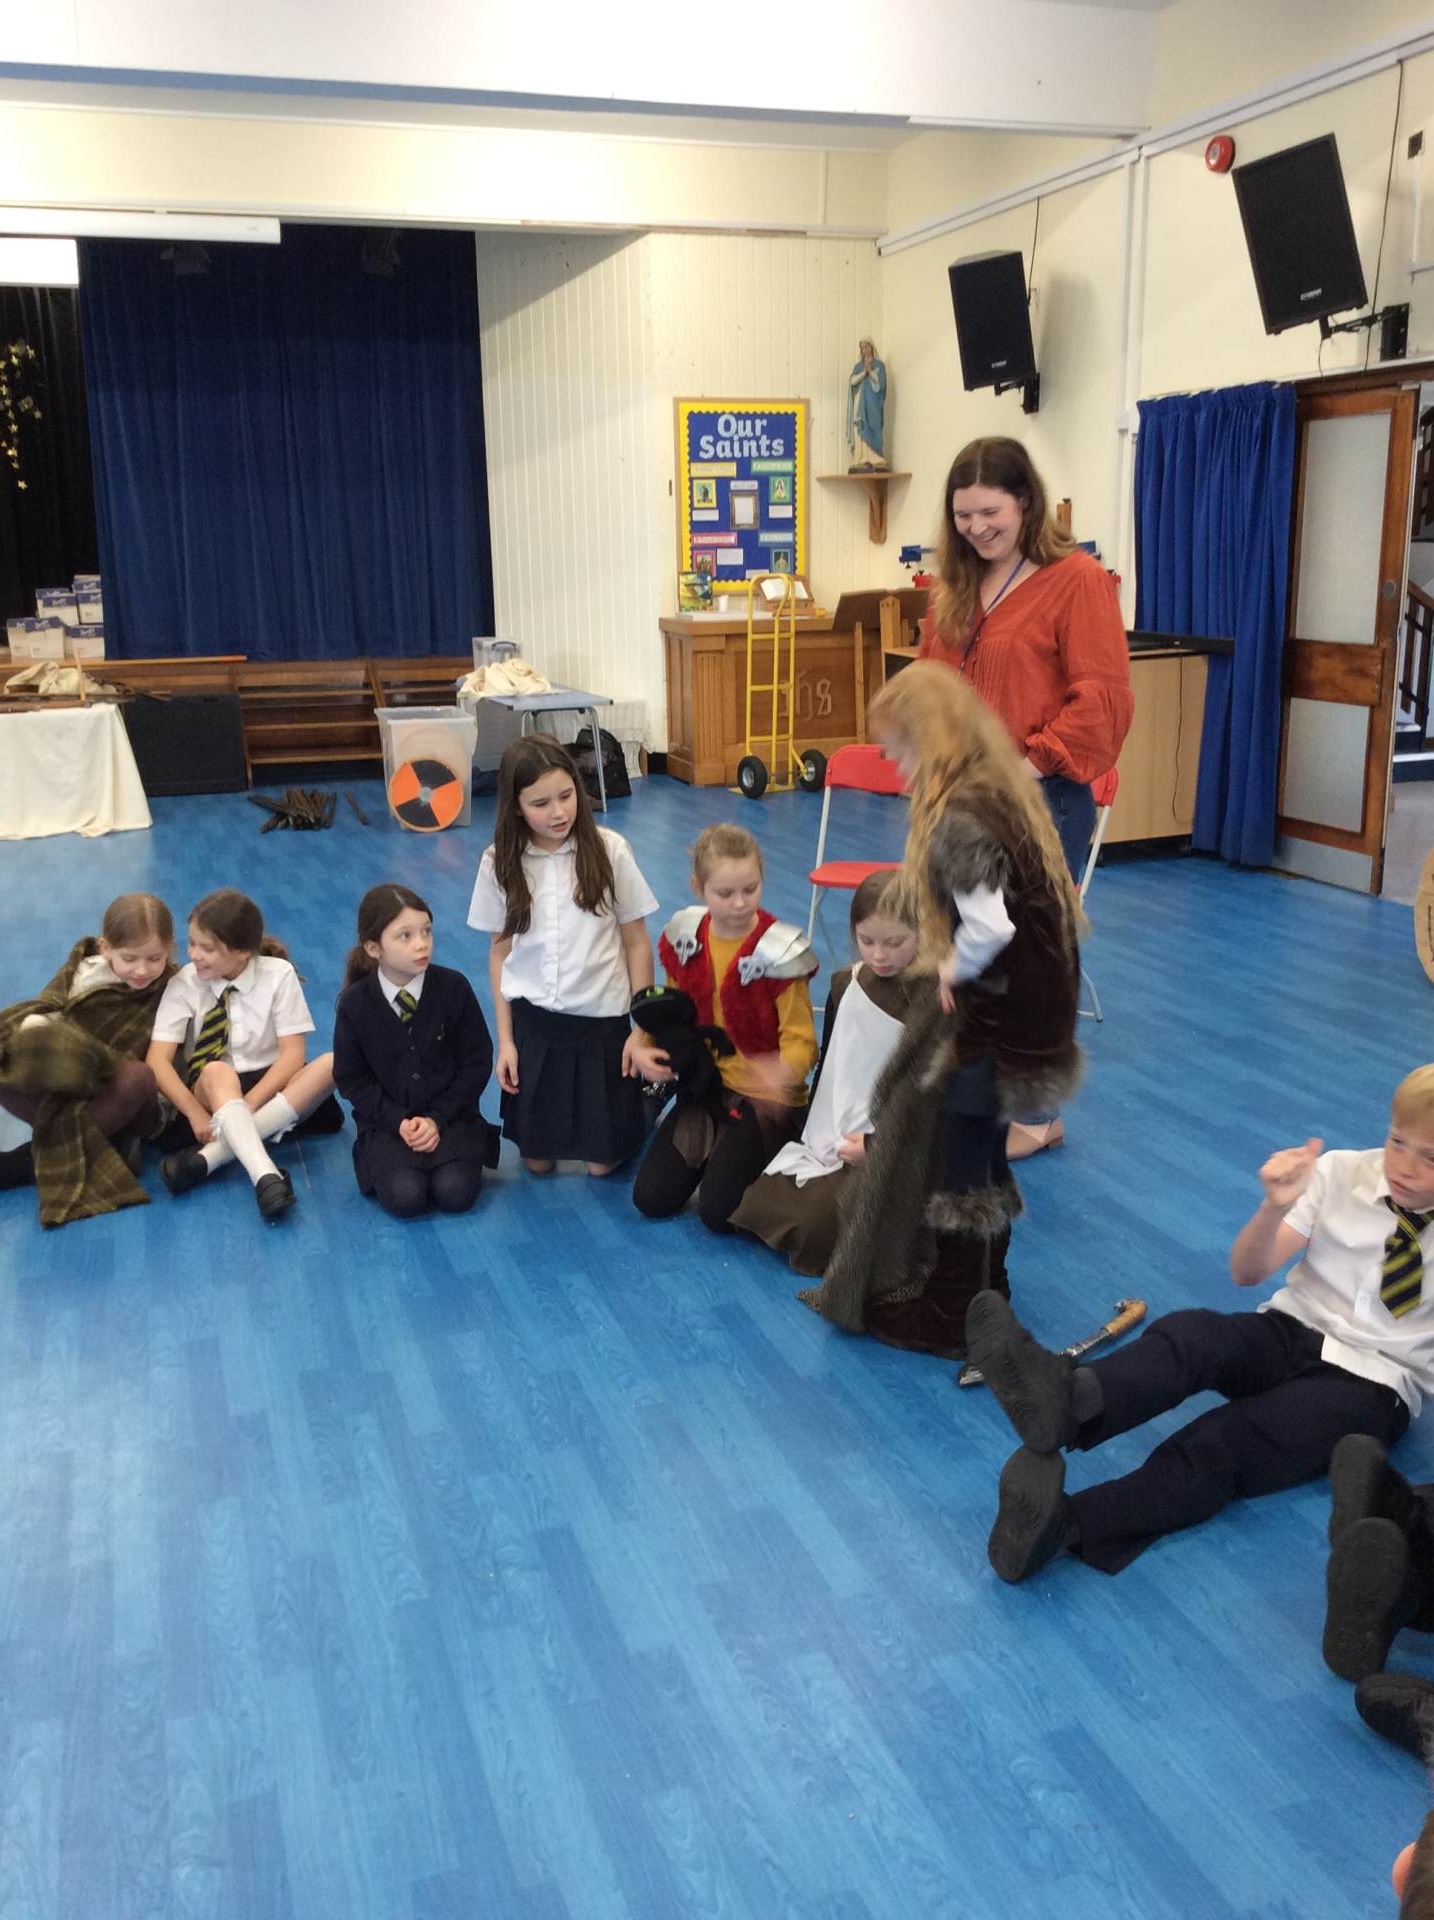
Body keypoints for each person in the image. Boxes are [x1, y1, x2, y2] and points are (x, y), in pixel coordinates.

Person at [966, 1066, 1434, 1585]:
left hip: (1373, 1384)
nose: (1405, 1166)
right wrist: (1272, 1209)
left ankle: (1067, 1526)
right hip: (1290, 1330)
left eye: (1430, 1157)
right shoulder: (1342, 1172)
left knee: (1227, 1442)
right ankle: (1066, 1404)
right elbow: (1247, 1272)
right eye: (1397, 1141)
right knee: (1193, 1336)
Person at [799, 663, 1082, 1357]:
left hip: (1000, 1014)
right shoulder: (998, 789)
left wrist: (954, 965)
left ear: (929, 739)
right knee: (981, 1151)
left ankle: (954, 1313)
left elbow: (991, 926)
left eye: (898, 750)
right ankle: (991, 1290)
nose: (894, 764)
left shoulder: (960, 815)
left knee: (965, 1159)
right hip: (1035, 1007)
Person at [917, 436, 1132, 1159]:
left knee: (1032, 954)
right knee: (969, 940)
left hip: (1041, 799)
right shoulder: (954, 587)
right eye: (964, 515)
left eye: (991, 512)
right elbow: (931, 684)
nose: (978, 528)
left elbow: (1101, 698)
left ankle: (1038, 1114)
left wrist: (1028, 761)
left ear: (1026, 504)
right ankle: (978, 1093)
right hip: (961, 798)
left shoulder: (1077, 581)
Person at [467, 733, 656, 1176]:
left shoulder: (610, 850)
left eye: (566, 796)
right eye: (540, 803)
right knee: (536, 1163)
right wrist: (506, 1041)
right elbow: (499, 954)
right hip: (537, 1025)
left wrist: (642, 1030)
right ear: (516, 807)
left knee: (600, 1167)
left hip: (601, 1023)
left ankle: (647, 1100)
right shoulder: (499, 861)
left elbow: (637, 943)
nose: (558, 812)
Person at [731, 871, 930, 1274]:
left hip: (895, 1144)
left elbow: (930, 1103)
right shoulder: (845, 984)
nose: (879, 955)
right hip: (835, 1135)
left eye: (894, 943)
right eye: (867, 941)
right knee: (757, 1201)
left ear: (920, 933)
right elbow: (831, 1068)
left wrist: (876, 1144)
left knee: (817, 1227)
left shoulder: (932, 1000)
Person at [629, 822, 819, 1232]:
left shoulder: (778, 953)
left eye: (751, 889)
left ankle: (770, 1149)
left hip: (762, 1100)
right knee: (651, 1198)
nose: (740, 903)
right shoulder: (686, 938)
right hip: (705, 1086)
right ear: (698, 887)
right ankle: (723, 1152)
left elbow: (803, 1042)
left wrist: (780, 1073)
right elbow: (669, 1011)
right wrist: (643, 1043)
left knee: (718, 1213)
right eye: (725, 893)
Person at [147, 889, 343, 1221]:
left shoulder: (278, 974)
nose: (194, 954)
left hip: (271, 1083)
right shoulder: (184, 983)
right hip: (211, 1089)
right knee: (217, 1071)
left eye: (207, 948)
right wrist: (194, 1112)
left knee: (332, 1064)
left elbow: (292, 1056)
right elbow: (157, 1060)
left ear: (241, 952)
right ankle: (265, 1175)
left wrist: (248, 1106)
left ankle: (209, 1158)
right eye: (192, 943)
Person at [0, 891, 175, 1226]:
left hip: (127, 1101)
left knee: (140, 1077)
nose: (142, 970)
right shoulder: (82, 971)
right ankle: (108, 1145)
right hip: (67, 1085)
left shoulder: (175, 986)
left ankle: (20, 1165)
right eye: (129, 959)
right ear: (105, 948)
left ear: (169, 949)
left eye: (155, 958)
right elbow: (46, 1009)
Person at [333, 883, 497, 1219]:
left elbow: (476, 1062)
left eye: (426, 931)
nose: (421, 944)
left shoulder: (453, 988)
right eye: (405, 936)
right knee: (405, 1196)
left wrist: (437, 1118)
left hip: (452, 1118)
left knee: (454, 1192)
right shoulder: (355, 1004)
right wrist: (398, 1122)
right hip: (388, 1125)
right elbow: (352, 1079)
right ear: (373, 947)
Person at [846, 339, 888, 472]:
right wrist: (864, 372)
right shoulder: (858, 366)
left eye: (867, 347)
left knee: (875, 425)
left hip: (873, 403)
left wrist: (871, 372)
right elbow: (852, 382)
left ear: (871, 347)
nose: (865, 350)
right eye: (862, 348)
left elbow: (881, 385)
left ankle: (876, 457)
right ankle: (862, 458)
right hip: (860, 404)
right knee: (861, 427)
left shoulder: (879, 365)